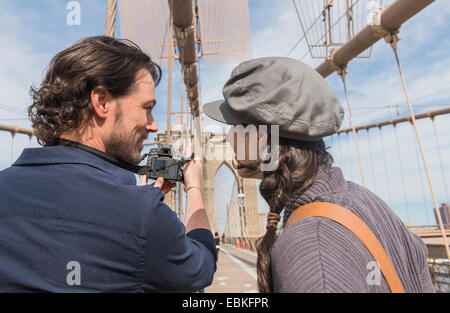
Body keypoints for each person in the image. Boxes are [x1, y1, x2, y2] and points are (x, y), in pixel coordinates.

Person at [0, 36, 216, 292]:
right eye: (147, 108)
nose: (153, 125)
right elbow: (200, 269)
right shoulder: (141, 214)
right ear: (102, 102)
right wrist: (193, 190)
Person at [203, 57, 434, 293]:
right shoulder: (367, 202)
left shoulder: (312, 247)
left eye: (232, 126)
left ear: (262, 139)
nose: (229, 137)